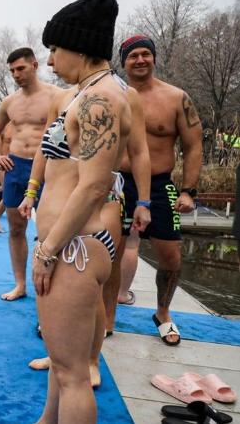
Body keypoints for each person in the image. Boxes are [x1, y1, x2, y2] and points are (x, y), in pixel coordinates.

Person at [22, 0, 126, 422]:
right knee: (63, 365)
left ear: (79, 48)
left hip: (73, 247)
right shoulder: (97, 92)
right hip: (80, 242)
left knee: (72, 375)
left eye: (55, 49)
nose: (50, 59)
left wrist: (46, 251)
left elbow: (93, 185)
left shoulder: (97, 100)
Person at [116, 34, 203, 346]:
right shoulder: (114, 96)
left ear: (153, 58)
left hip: (159, 184)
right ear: (123, 62)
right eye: (132, 56)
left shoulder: (176, 98)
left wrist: (189, 191)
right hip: (117, 182)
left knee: (171, 256)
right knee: (106, 249)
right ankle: (104, 310)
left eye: (145, 54)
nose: (140, 60)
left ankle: (163, 312)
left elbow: (194, 147)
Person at [0, 47, 63, 301]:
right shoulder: (10, 102)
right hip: (16, 166)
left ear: (34, 65)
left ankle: (53, 289)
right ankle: (20, 285)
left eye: (20, 68)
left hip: (49, 166)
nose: (16, 74)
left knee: (51, 231)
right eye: (11, 71)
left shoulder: (57, 96)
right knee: (16, 229)